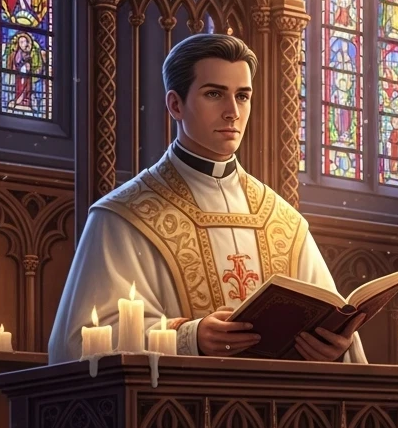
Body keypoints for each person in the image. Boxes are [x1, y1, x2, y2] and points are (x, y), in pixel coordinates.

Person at [48, 33, 367, 364]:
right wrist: (190, 337)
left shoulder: (284, 222)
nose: (232, 112)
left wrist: (336, 348)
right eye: (214, 94)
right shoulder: (123, 216)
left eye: (242, 96)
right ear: (175, 105)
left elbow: (333, 322)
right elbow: (80, 341)